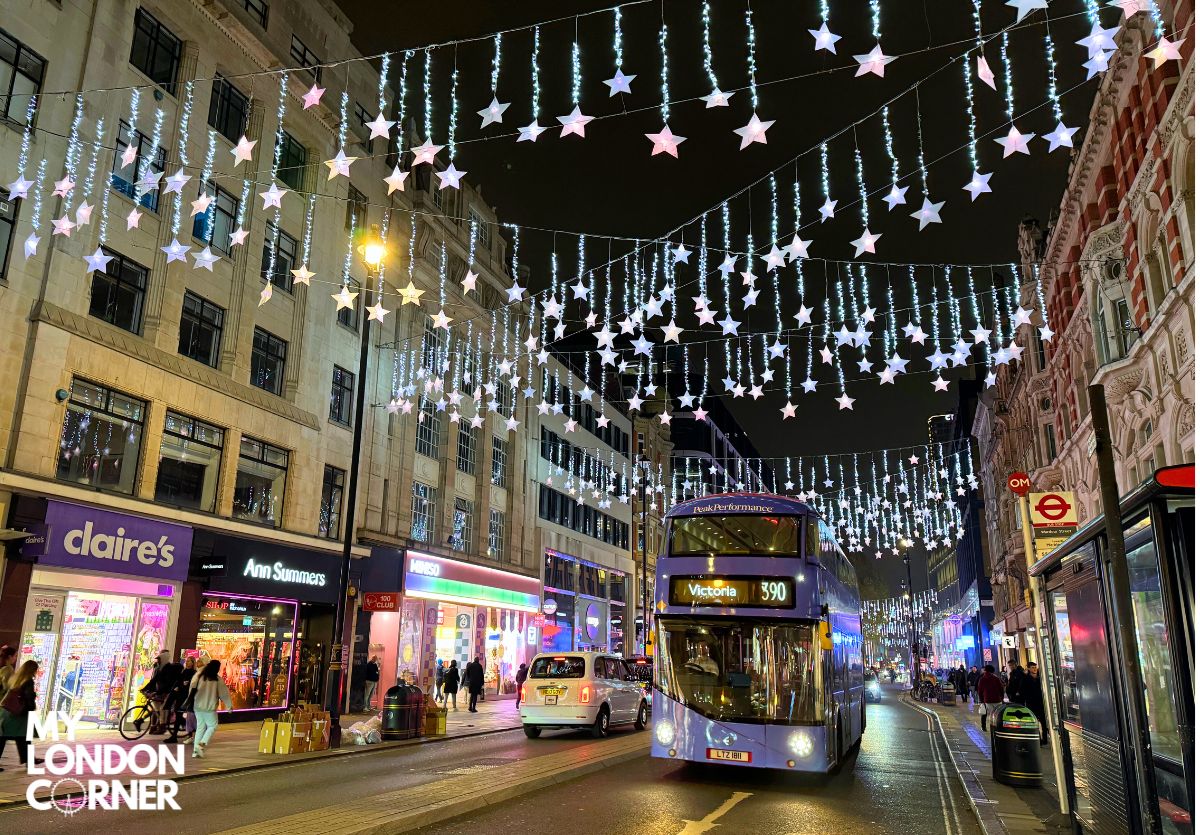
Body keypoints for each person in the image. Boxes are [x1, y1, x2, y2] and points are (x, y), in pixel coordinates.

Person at [0, 660, 44, 770]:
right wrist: (31, 706)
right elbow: (28, 697)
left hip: (9, 712)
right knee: (22, 737)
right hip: (20, 714)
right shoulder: (28, 681)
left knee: (16, 737)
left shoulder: (15, 679)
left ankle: (29, 759)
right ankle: (29, 759)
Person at [188, 660, 232, 758]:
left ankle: (195, 751)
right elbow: (224, 694)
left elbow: (191, 689)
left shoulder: (198, 676)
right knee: (212, 726)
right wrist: (229, 706)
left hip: (198, 706)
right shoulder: (217, 680)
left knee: (200, 728)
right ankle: (202, 743)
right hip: (209, 708)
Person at [140, 651, 182, 733]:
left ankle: (162, 726)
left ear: (163, 659)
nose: (158, 661)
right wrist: (144, 689)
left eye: (159, 659)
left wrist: (157, 692)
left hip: (168, 692)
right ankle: (156, 725)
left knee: (163, 709)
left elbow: (168, 683)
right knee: (156, 708)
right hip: (160, 691)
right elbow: (154, 680)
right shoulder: (160, 668)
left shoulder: (169, 668)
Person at [164, 656, 198, 744]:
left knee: (186, 717)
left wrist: (182, 685)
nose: (187, 662)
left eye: (189, 661)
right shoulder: (184, 671)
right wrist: (178, 686)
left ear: (193, 663)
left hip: (187, 697)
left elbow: (191, 686)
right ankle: (176, 735)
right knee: (179, 715)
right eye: (187, 661)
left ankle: (188, 735)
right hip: (180, 697)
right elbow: (179, 682)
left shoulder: (194, 673)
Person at [1020, 662, 1049, 745]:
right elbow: (1022, 691)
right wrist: (1027, 698)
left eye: (1035, 667)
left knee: (1044, 722)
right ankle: (1038, 739)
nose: (1034, 669)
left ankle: (1045, 739)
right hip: (1031, 703)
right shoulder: (1025, 679)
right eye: (1032, 667)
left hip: (1041, 702)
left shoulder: (1041, 678)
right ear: (1028, 668)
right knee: (1034, 721)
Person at [976, 664, 1005, 731]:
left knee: (986, 713)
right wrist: (1002, 697)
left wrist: (981, 700)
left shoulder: (982, 679)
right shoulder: (996, 678)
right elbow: (1001, 688)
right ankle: (997, 728)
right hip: (997, 699)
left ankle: (984, 727)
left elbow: (980, 691)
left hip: (987, 700)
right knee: (998, 714)